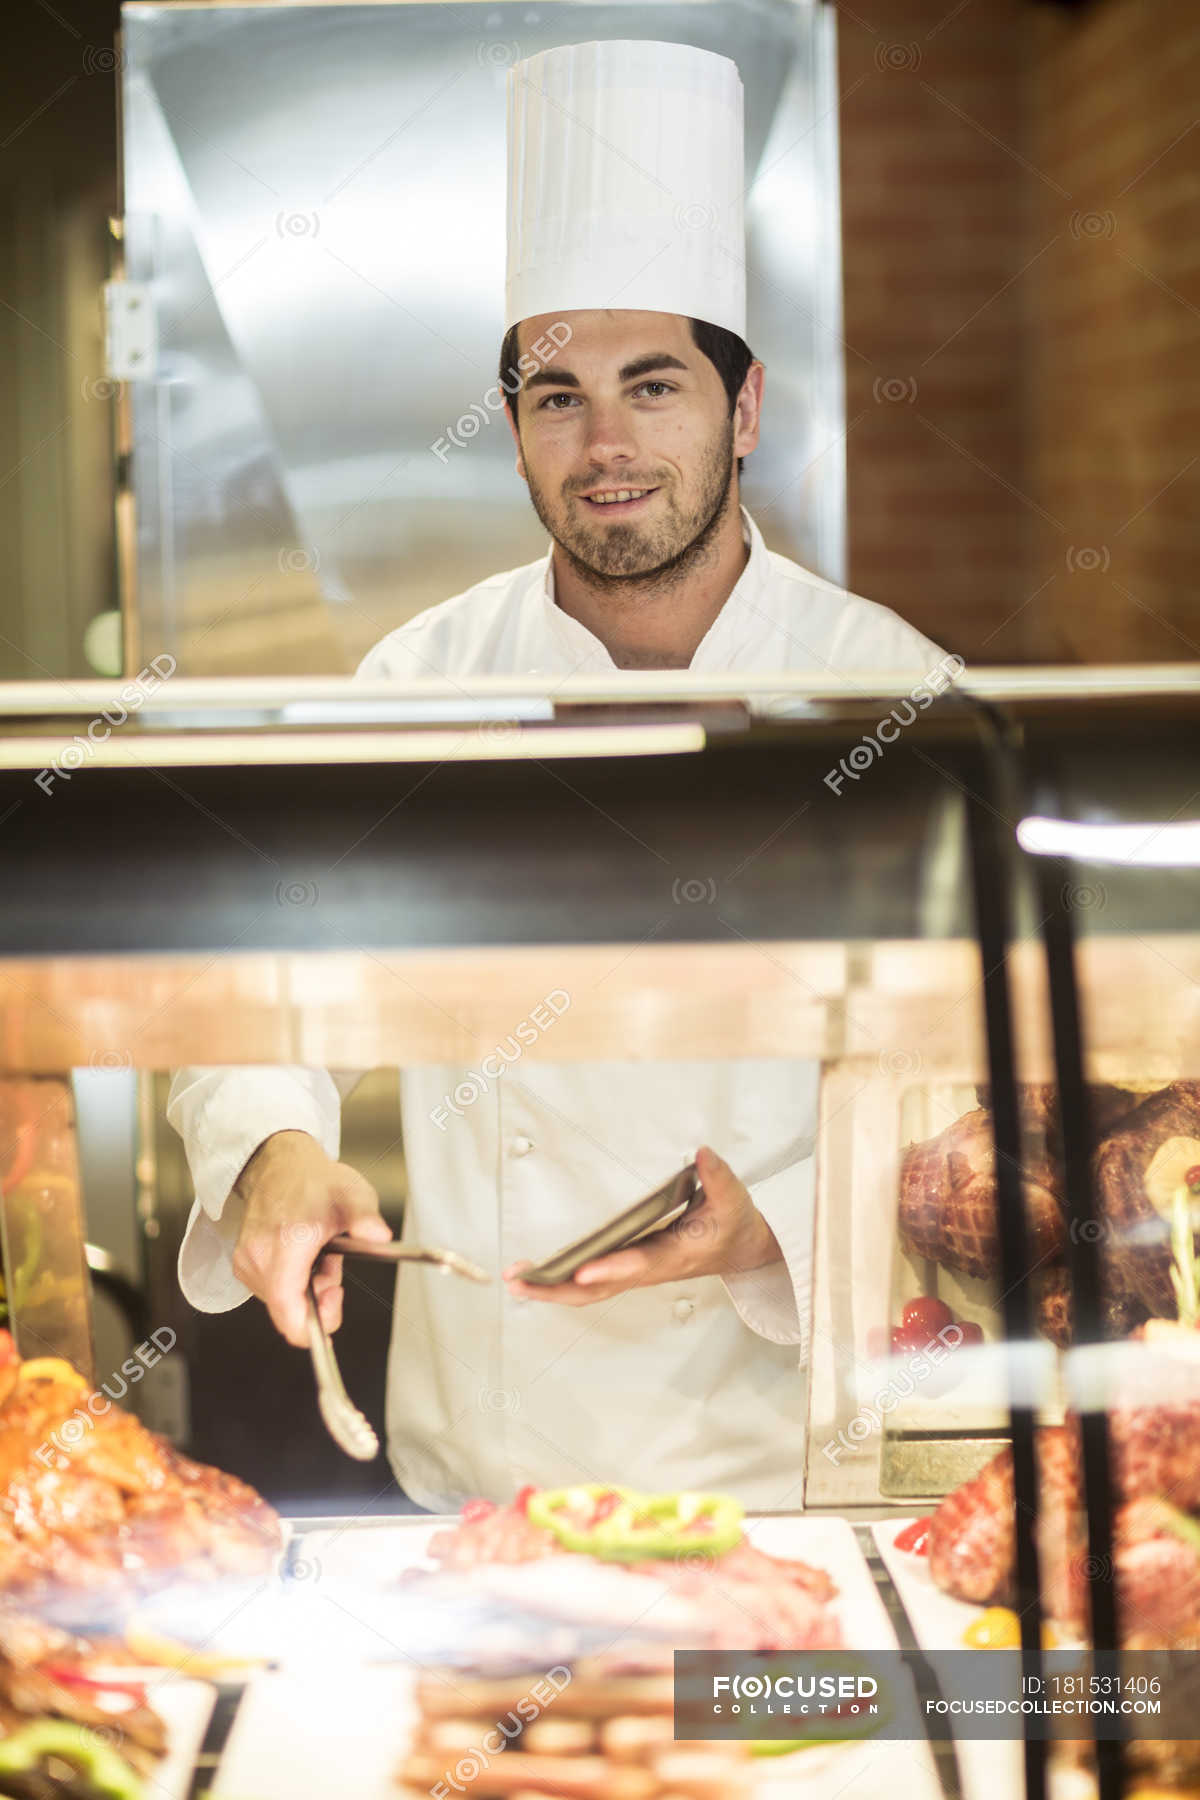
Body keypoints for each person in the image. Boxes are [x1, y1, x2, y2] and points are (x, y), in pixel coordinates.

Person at [168, 40, 949, 1514]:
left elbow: (993, 1105)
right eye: (555, 395)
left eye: (653, 386)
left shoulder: (894, 696)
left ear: (747, 405)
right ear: (513, 429)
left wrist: (774, 1223)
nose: (606, 447)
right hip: (485, 1503)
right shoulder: (418, 688)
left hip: (802, 1491)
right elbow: (256, 981)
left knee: (793, 1747)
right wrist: (274, 1144)